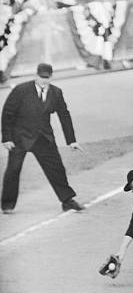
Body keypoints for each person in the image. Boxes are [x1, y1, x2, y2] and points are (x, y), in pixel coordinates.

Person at [1, 63, 85, 214]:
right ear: (36, 75)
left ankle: (67, 201)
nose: (44, 80)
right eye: (41, 77)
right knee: (13, 170)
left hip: (43, 138)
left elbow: (64, 115)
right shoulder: (21, 90)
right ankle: (7, 204)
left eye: (47, 78)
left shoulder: (56, 93)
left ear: (51, 77)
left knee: (57, 168)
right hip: (20, 138)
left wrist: (71, 140)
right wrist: (6, 138)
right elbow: (7, 114)